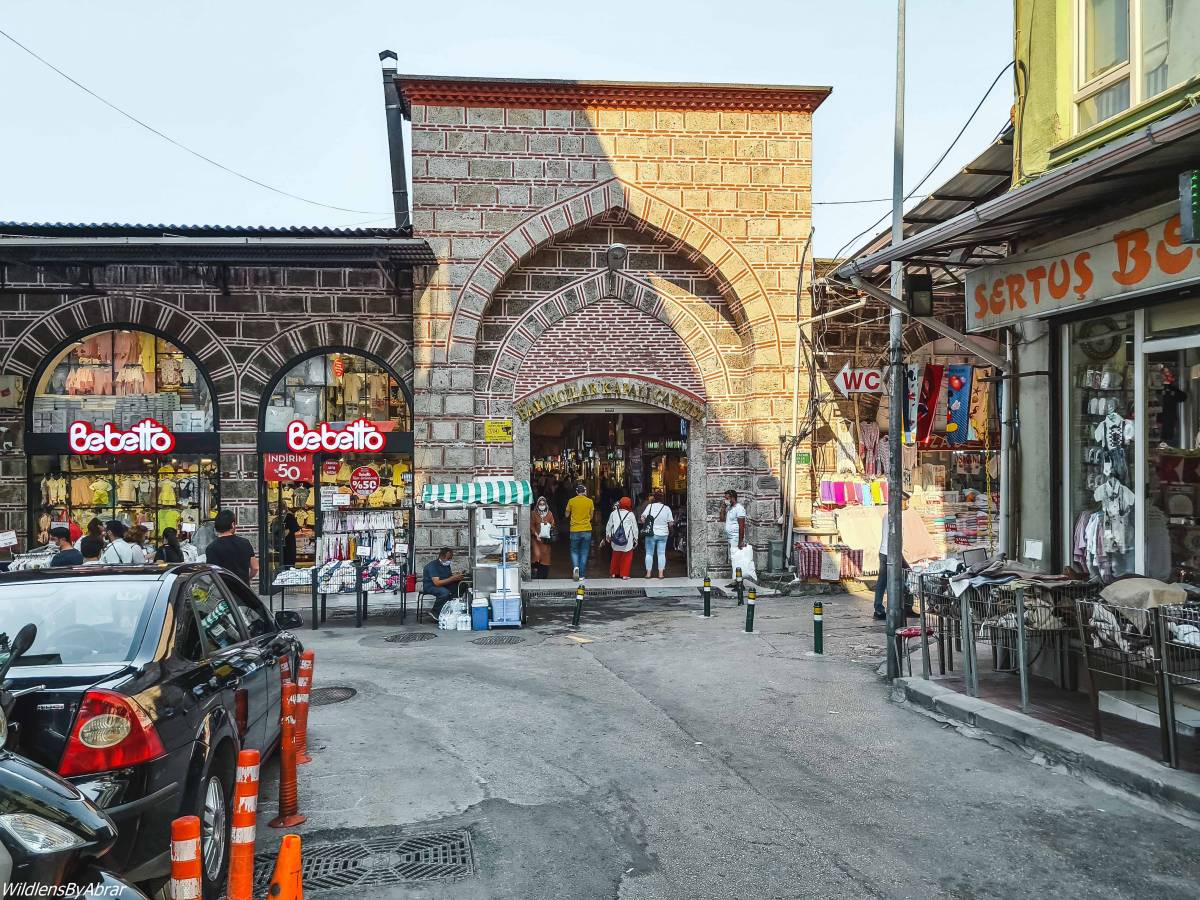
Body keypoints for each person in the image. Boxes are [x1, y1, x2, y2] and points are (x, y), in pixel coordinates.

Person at [874, 494, 916, 621]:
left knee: (883, 581)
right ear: (899, 502)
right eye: (905, 502)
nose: (907, 505)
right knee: (906, 574)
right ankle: (903, 606)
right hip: (890, 553)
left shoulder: (890, 515)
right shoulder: (892, 516)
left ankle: (880, 608)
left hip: (888, 552)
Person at [204, 510, 258, 585]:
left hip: (224, 592)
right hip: (244, 590)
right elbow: (255, 567)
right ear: (233, 524)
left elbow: (212, 574)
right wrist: (247, 578)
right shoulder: (245, 543)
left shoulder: (211, 547)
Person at [640, 490, 675, 579]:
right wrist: (669, 528)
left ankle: (648, 573)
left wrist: (647, 522)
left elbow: (642, 518)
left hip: (651, 533)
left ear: (654, 498)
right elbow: (671, 523)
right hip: (663, 534)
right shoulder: (666, 508)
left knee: (649, 553)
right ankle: (660, 574)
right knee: (661, 553)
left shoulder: (649, 506)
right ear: (662, 499)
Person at [422, 547, 464, 619]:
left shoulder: (446, 565)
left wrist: (456, 576)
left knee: (461, 585)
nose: (449, 560)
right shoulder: (432, 566)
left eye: (450, 558)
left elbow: (447, 577)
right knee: (444, 592)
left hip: (443, 584)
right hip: (430, 586)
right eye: (448, 558)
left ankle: (451, 608)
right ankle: (435, 612)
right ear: (442, 557)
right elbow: (437, 583)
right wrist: (452, 578)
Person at [565, 483, 595, 579]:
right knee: (584, 552)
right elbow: (591, 516)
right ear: (585, 492)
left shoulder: (571, 501)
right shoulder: (590, 501)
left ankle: (576, 567)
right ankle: (581, 575)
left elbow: (566, 514)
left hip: (574, 529)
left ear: (577, 492)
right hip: (586, 529)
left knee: (574, 551)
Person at [604, 496, 638, 579]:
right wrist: (636, 538)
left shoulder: (614, 513)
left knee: (615, 556)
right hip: (627, 539)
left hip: (615, 539)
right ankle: (624, 574)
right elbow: (634, 528)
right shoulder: (630, 514)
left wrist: (607, 535)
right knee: (627, 556)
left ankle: (613, 573)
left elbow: (609, 525)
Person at [723, 490, 748, 579]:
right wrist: (723, 507)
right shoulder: (729, 508)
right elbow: (721, 518)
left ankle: (739, 582)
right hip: (730, 538)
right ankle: (735, 580)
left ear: (733, 498)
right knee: (733, 559)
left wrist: (740, 541)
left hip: (735, 537)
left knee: (736, 560)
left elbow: (742, 526)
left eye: (727, 498)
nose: (725, 500)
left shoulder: (739, 508)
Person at [530, 496, 555, 579]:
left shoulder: (549, 513)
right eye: (540, 504)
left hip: (545, 540)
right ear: (537, 505)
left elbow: (553, 524)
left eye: (543, 504)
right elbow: (531, 525)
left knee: (545, 557)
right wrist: (536, 534)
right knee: (536, 555)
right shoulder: (533, 513)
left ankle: (543, 575)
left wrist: (548, 525)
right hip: (536, 539)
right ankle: (535, 573)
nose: (542, 505)